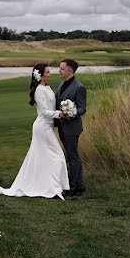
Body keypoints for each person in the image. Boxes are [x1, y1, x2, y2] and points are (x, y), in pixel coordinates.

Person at [0, 63, 70, 199]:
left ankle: (53, 186)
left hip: (48, 126)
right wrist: (60, 114)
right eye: (48, 72)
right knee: (58, 155)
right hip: (43, 127)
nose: (51, 74)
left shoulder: (46, 87)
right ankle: (56, 188)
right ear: (42, 75)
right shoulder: (39, 90)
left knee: (44, 157)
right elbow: (44, 112)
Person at [54, 58, 87, 195]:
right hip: (62, 127)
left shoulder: (79, 87)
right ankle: (79, 185)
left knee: (72, 156)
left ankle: (73, 187)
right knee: (72, 155)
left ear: (70, 70)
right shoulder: (62, 84)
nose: (59, 71)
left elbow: (82, 108)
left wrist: (71, 113)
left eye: (62, 68)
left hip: (72, 128)